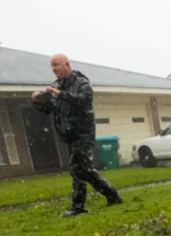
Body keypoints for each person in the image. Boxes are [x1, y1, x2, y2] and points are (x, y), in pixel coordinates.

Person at [32, 54, 123, 218]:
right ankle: (112, 196)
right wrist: (37, 101)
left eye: (56, 65)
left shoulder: (81, 83)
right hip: (68, 134)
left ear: (66, 64)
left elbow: (84, 100)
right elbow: (48, 109)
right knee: (83, 170)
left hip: (83, 133)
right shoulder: (57, 85)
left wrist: (61, 94)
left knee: (78, 169)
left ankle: (79, 207)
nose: (54, 69)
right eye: (52, 66)